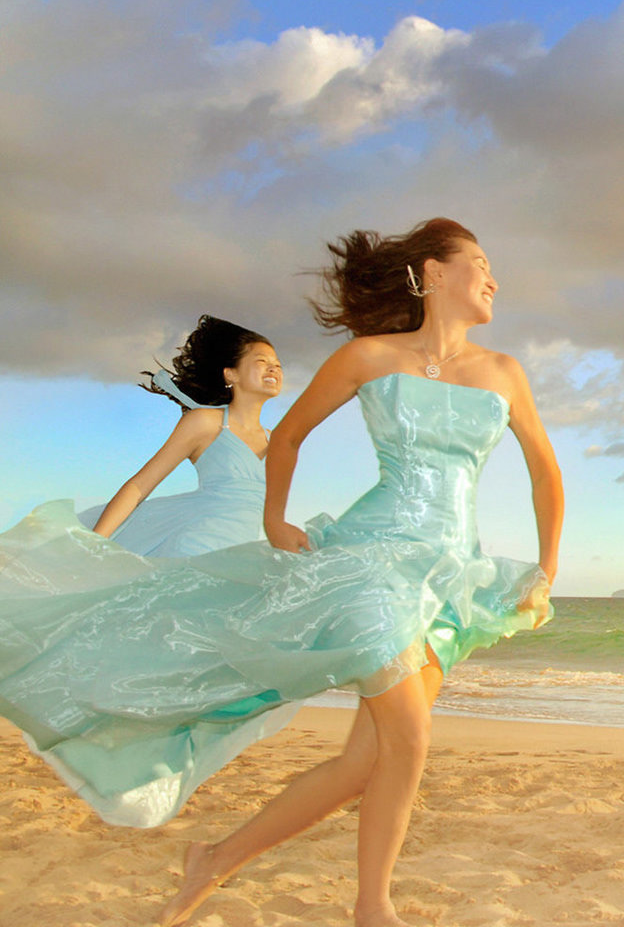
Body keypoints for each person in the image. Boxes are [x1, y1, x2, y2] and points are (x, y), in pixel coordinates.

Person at [0, 218, 563, 927]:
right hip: (370, 563)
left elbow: (546, 471)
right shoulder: (369, 356)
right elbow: (289, 435)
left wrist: (545, 568)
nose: (494, 278)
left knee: (368, 762)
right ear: (435, 273)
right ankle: (373, 908)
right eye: (480, 263)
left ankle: (214, 859)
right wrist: (274, 520)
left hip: (449, 575)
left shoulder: (504, 372)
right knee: (411, 740)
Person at [80, 315, 282, 557]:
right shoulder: (206, 422)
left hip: (239, 556)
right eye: (262, 360)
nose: (274, 368)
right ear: (231, 375)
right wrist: (94, 545)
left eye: (278, 364)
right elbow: (139, 485)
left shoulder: (278, 441)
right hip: (197, 549)